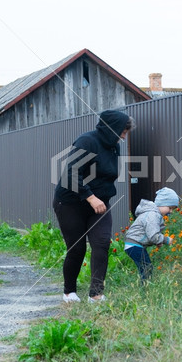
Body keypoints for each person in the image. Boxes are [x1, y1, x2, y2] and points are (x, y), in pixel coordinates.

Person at [53, 110, 135, 303]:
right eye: (123, 132)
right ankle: (69, 292)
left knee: (101, 243)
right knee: (77, 248)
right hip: (70, 202)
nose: (124, 136)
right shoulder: (87, 141)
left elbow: (106, 175)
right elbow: (71, 173)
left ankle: (96, 294)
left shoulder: (113, 146)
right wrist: (90, 196)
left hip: (99, 203)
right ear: (112, 129)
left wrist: (100, 198)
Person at [124, 187, 179, 283]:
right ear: (161, 204)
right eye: (170, 208)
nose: (171, 211)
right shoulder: (153, 215)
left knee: (146, 267)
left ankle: (145, 287)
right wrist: (165, 240)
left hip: (133, 245)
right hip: (135, 245)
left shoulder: (152, 214)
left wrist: (158, 241)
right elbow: (153, 236)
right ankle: (145, 290)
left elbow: (149, 233)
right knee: (146, 268)